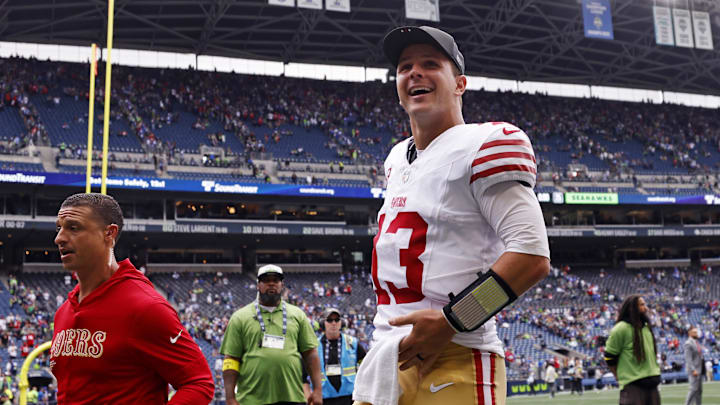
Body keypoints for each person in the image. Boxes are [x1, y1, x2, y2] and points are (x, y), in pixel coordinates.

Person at [353, 25, 550, 405]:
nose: (414, 72)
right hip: (387, 355)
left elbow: (532, 255)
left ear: (460, 83)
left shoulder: (485, 143)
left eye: (430, 64)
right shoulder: (396, 158)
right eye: (404, 66)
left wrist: (452, 320)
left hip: (457, 354)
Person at [51, 193, 214, 404]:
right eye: (59, 228)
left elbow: (198, 382)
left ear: (109, 234)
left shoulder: (145, 307)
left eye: (73, 228)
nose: (59, 238)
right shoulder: (64, 310)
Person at [220, 264, 323, 405]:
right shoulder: (240, 317)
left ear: (282, 285)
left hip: (292, 396)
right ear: (258, 285)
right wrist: (230, 397)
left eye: (276, 280)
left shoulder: (297, 315)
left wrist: (318, 389)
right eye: (266, 280)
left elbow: (310, 354)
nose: (271, 284)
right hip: (252, 399)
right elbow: (231, 359)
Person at [604, 295, 661, 405]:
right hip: (633, 386)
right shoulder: (621, 328)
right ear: (631, 308)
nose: (646, 308)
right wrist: (618, 376)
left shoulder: (646, 327)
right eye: (642, 305)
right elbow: (609, 356)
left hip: (652, 383)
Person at [305, 308, 367, 405]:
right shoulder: (313, 346)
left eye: (337, 320)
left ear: (341, 323)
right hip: (323, 400)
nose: (333, 323)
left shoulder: (352, 343)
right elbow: (303, 376)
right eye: (329, 320)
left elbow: (367, 366)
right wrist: (308, 397)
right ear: (322, 323)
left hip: (350, 399)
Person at [684, 326, 703, 405]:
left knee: (699, 390)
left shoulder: (696, 342)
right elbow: (688, 359)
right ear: (690, 333)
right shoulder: (688, 343)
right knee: (693, 389)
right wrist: (693, 369)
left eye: (696, 332)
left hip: (699, 369)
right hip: (694, 370)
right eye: (694, 332)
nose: (696, 333)